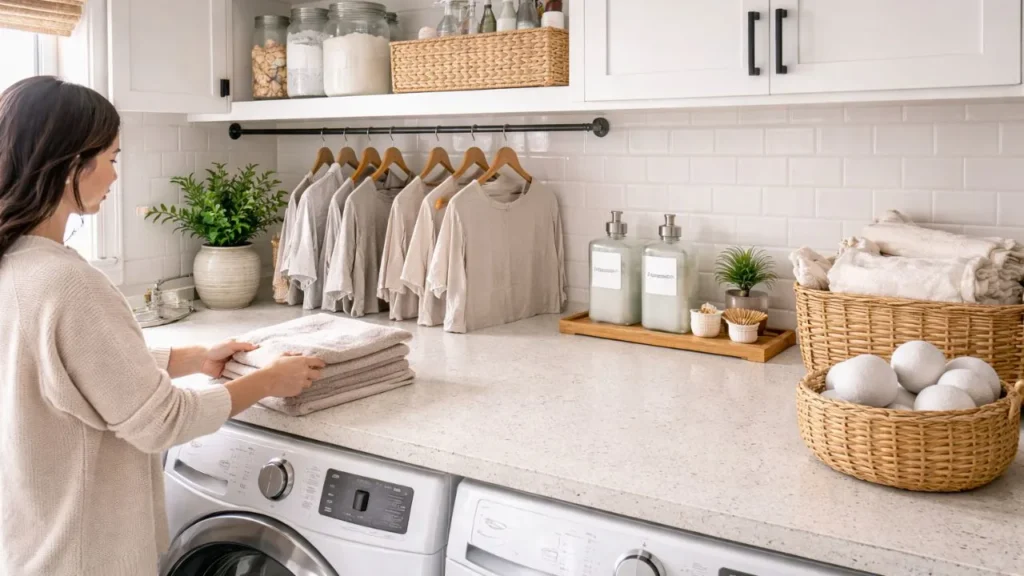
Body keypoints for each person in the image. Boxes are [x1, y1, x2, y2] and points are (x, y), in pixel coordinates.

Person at [0, 76, 325, 576]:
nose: (115, 176)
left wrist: (191, 359)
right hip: (86, 556)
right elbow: (163, 421)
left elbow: (61, 370)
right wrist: (268, 381)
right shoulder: (68, 283)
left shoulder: (16, 264)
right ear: (71, 166)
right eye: (111, 159)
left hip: (30, 546)